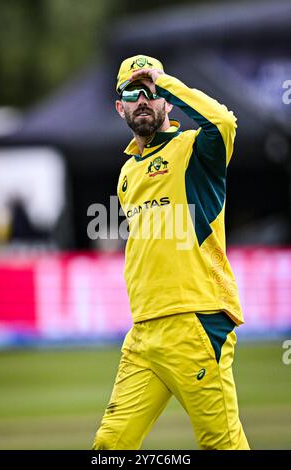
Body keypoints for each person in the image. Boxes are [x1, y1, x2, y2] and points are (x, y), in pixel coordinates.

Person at [92, 54, 249, 450]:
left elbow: (224, 122)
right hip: (143, 332)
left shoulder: (196, 150)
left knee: (222, 445)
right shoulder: (128, 172)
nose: (142, 99)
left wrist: (168, 81)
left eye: (151, 91)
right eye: (132, 91)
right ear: (120, 106)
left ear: (165, 100)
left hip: (193, 321)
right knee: (109, 446)